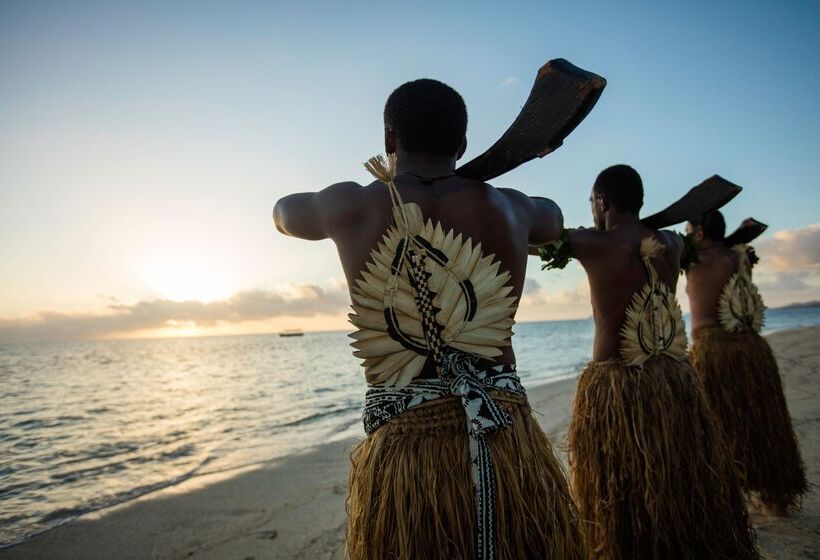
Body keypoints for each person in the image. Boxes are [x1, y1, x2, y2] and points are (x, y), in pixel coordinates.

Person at [274, 78, 585, 559]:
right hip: (504, 437)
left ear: (388, 139)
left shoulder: (350, 204)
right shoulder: (510, 207)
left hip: (406, 448)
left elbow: (284, 213)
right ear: (462, 144)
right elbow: (555, 219)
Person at [539, 165, 758, 559]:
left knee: (620, 488)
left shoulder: (593, 243)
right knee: (677, 473)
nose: (591, 209)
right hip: (672, 379)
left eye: (591, 201)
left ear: (602, 202)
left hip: (615, 384)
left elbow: (531, 239)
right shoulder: (673, 244)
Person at [685, 211, 807, 515]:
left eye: (687, 230)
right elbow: (726, 244)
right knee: (762, 421)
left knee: (717, 423)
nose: (683, 235)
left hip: (712, 351)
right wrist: (735, 236)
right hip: (752, 349)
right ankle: (774, 497)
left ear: (698, 233)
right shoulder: (741, 256)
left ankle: (725, 494)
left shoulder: (691, 260)